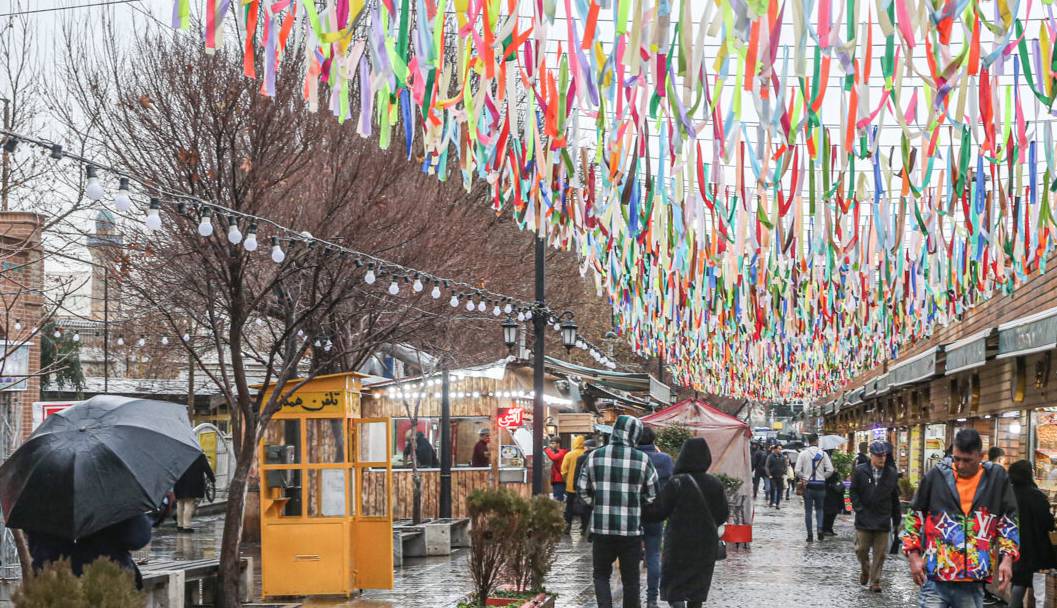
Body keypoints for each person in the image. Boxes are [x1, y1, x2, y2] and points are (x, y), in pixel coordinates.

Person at [902, 429, 1019, 607]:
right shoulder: (936, 475)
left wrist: (1007, 558)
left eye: (967, 460)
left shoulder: (996, 478)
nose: (961, 465)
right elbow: (914, 515)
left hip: (973, 579)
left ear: (981, 456)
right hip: (936, 576)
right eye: (957, 459)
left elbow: (1008, 521)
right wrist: (913, 555)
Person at [578, 415, 659, 608]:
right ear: (635, 434)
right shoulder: (643, 459)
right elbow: (653, 495)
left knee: (601, 575)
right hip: (630, 530)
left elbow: (582, 490)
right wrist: (636, 505)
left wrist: (598, 504)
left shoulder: (594, 456)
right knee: (631, 580)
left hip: (602, 529)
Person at [644, 437, 729, 608]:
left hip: (678, 543)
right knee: (697, 590)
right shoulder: (715, 483)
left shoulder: (676, 482)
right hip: (705, 544)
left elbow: (658, 512)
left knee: (674, 587)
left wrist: (640, 506)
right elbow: (723, 514)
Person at [28, 494, 174, 589]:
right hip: (108, 582)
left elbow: (33, 543)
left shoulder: (40, 492)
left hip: (51, 584)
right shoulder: (113, 490)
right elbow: (137, 538)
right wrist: (156, 515)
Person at [849, 441, 901, 592]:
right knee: (861, 549)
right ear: (871, 455)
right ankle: (866, 570)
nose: (882, 459)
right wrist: (858, 508)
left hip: (883, 517)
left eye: (884, 456)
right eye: (878, 456)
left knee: (880, 553)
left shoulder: (891, 473)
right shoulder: (860, 471)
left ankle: (875, 581)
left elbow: (894, 497)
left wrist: (896, 519)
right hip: (864, 517)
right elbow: (852, 491)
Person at [1008, 460, 1056, 608]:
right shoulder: (1037, 496)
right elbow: (1048, 524)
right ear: (1029, 474)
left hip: (1014, 546)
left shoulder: (1009, 494)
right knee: (1037, 585)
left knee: (1018, 581)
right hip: (1036, 547)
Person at [637, 426, 674, 608]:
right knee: (653, 555)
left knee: (631, 555)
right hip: (656, 512)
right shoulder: (665, 459)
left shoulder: (633, 458)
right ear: (653, 440)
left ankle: (633, 594)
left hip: (632, 513)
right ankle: (652, 599)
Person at [795, 434, 834, 543]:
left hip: (808, 486)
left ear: (808, 441)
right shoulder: (823, 454)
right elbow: (830, 470)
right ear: (817, 441)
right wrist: (822, 477)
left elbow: (797, 471)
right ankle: (820, 529)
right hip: (820, 486)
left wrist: (804, 477)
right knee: (820, 509)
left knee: (808, 511)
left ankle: (810, 535)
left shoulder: (803, 454)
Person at [173, 453, 215, 532]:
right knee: (189, 503)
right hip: (192, 484)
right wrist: (212, 479)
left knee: (180, 503)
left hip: (179, 482)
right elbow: (207, 468)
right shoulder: (199, 456)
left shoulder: (178, 454)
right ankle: (187, 526)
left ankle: (180, 525)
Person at [561, 435, 588, 534]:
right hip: (584, 486)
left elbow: (563, 471)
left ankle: (567, 527)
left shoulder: (569, 455)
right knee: (585, 507)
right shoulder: (587, 454)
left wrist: (567, 480)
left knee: (569, 506)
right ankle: (584, 528)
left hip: (570, 486)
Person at [821, 450, 844, 538]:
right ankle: (825, 529)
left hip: (835, 492)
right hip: (828, 490)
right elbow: (825, 476)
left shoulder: (831, 463)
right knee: (827, 511)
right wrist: (833, 472)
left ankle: (829, 528)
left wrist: (836, 472)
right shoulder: (822, 465)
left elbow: (836, 477)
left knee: (834, 511)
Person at [765, 444, 787, 509]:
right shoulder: (770, 456)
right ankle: (771, 502)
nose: (780, 450)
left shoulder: (783, 457)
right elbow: (767, 466)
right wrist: (769, 475)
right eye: (779, 449)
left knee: (780, 490)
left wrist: (784, 473)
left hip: (780, 476)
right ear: (775, 449)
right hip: (772, 476)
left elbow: (785, 466)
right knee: (773, 489)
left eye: (781, 449)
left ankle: (777, 504)